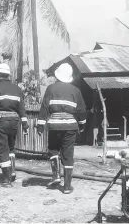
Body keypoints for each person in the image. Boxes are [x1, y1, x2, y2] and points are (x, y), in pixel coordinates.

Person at [36, 63, 87, 194]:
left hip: (54, 125)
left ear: (57, 75)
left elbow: (44, 108)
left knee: (53, 150)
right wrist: (82, 125)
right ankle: (67, 187)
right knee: (68, 154)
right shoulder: (76, 91)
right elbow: (81, 110)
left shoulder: (50, 89)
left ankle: (56, 176)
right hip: (70, 127)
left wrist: (40, 125)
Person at [0, 63, 29, 187]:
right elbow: (22, 109)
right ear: (8, 75)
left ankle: (6, 180)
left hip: (1, 121)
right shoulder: (17, 89)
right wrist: (25, 124)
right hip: (14, 122)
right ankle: (12, 173)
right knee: (11, 148)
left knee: (2, 150)